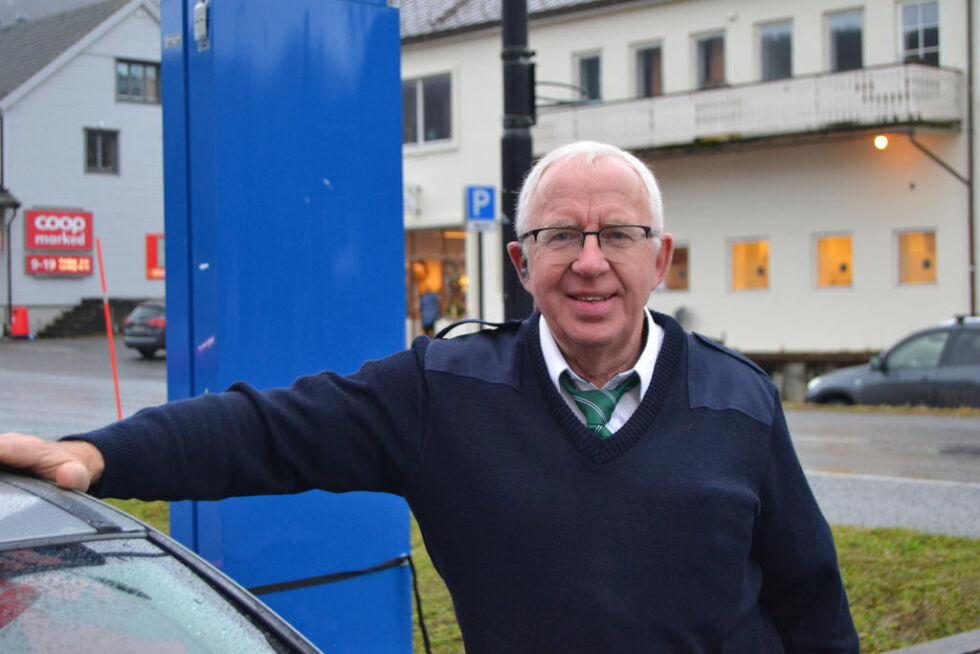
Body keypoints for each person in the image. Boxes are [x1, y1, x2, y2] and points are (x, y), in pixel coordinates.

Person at [0, 141, 859, 652]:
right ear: (522, 265)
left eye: (618, 236)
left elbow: (810, 599)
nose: (589, 260)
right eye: (560, 235)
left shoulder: (737, 400)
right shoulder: (442, 393)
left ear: (658, 258)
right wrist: (96, 455)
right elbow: (265, 431)